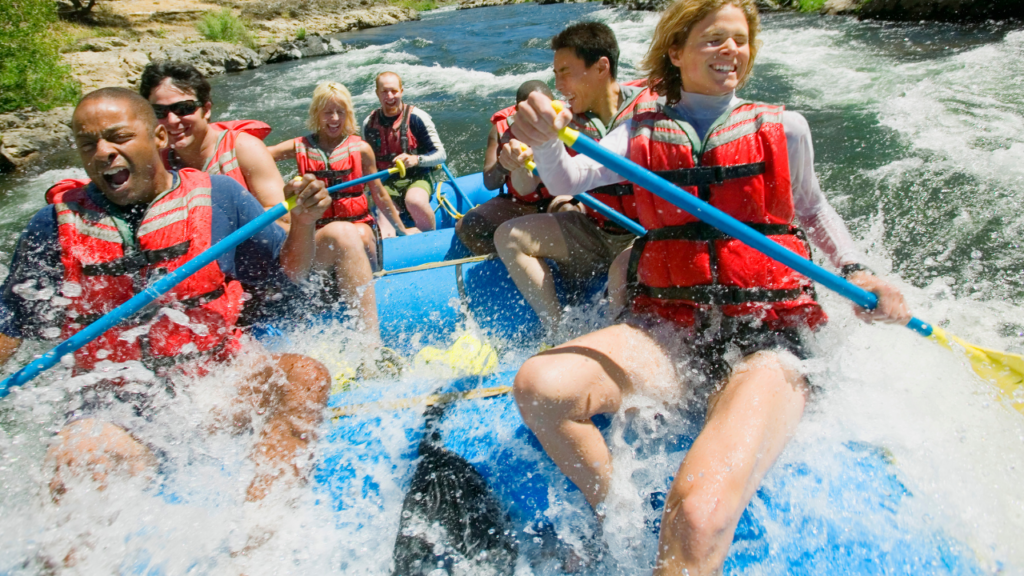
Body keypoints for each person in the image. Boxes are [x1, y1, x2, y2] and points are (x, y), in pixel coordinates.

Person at [510, 1, 913, 573]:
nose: (732, 51)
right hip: (670, 334)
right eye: (714, 40)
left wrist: (855, 270)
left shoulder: (785, 128)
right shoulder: (640, 130)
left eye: (740, 41)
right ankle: (617, 515)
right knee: (540, 385)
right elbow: (570, 178)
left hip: (766, 341)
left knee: (698, 516)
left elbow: (814, 210)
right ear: (675, 52)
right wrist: (547, 140)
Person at [0, 88, 333, 510]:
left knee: (304, 375)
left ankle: (260, 540)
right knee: (75, 454)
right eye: (89, 145)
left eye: (118, 137)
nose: (103, 152)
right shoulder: (51, 226)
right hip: (117, 410)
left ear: (158, 138)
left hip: (217, 385)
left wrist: (303, 223)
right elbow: (9, 325)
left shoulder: (219, 197)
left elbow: (289, 272)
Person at [493, 22, 657, 335]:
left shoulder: (651, 110)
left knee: (621, 271)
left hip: (643, 234)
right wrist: (516, 162)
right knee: (509, 235)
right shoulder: (562, 120)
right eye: (555, 73)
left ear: (601, 67)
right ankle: (557, 332)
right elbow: (528, 186)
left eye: (565, 71)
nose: (558, 83)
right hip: (594, 230)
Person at [267, 81, 417, 345]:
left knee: (356, 233)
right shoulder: (298, 147)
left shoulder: (360, 149)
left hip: (359, 229)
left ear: (348, 114)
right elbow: (259, 156)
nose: (334, 119)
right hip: (321, 235)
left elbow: (379, 194)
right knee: (338, 236)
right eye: (327, 112)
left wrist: (402, 228)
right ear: (316, 114)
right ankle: (329, 293)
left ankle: (356, 297)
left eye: (340, 112)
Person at [139, 60, 290, 228]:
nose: (172, 120)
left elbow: (283, 218)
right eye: (159, 111)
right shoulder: (154, 162)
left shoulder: (245, 149)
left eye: (184, 108)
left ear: (207, 109)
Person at [455, 80, 580, 256]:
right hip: (520, 203)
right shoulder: (500, 132)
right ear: (518, 110)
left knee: (571, 213)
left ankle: (565, 268)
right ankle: (508, 265)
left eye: (545, 109)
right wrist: (504, 164)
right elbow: (490, 182)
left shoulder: (568, 123)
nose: (540, 116)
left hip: (557, 197)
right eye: (532, 111)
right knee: (467, 226)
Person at [362, 71, 446, 234]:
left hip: (417, 177)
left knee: (414, 201)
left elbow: (441, 154)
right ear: (377, 94)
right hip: (387, 183)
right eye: (384, 91)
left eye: (394, 91)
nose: (390, 96)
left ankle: (431, 239)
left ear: (401, 91)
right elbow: (367, 163)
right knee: (385, 227)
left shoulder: (417, 117)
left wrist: (416, 160)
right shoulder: (369, 124)